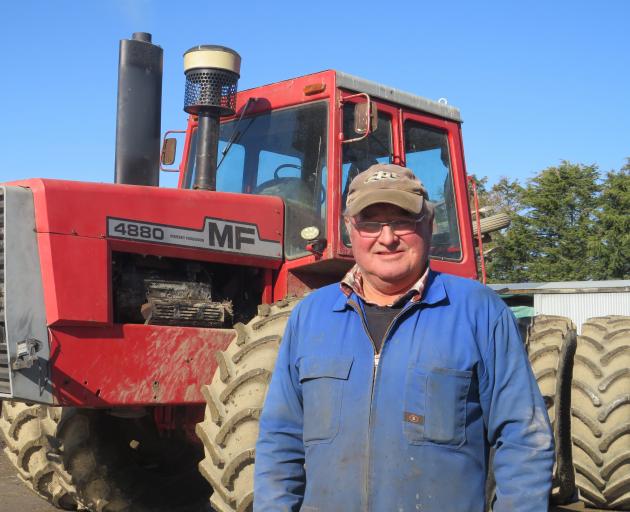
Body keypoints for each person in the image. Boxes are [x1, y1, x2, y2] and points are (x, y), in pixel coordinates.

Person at [254, 164, 554, 511]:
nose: (387, 237)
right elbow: (279, 440)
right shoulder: (311, 316)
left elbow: (523, 438)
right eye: (370, 222)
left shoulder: (478, 311)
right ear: (350, 229)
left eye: (402, 220)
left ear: (428, 224)